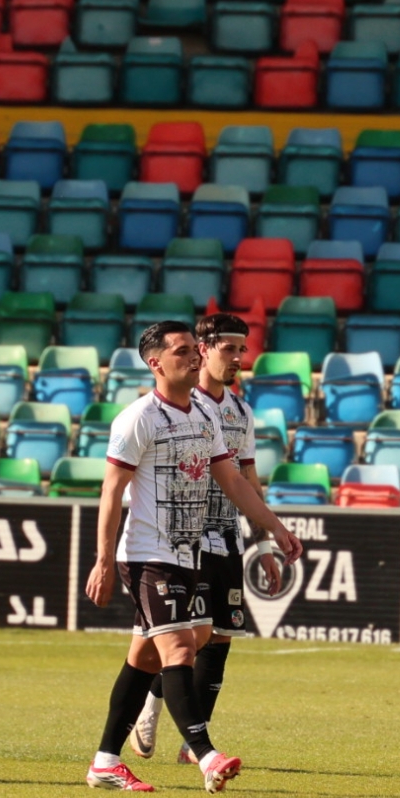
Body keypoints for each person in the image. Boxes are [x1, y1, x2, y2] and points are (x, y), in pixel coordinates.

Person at [84, 321, 301, 793]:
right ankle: (206, 756)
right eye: (181, 351)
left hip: (191, 553)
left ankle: (105, 762)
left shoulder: (205, 415)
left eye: (192, 350)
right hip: (147, 554)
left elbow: (234, 481)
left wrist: (275, 529)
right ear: (155, 363)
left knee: (152, 656)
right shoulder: (137, 418)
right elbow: (111, 491)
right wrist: (103, 560)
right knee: (180, 648)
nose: (193, 357)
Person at [127, 313, 283, 767]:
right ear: (204, 349)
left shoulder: (240, 412)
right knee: (189, 637)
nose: (238, 358)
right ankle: (152, 707)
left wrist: (264, 545)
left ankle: (192, 745)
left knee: (221, 637)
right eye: (228, 348)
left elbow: (248, 479)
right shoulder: (180, 403)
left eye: (242, 349)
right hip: (184, 540)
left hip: (227, 536)